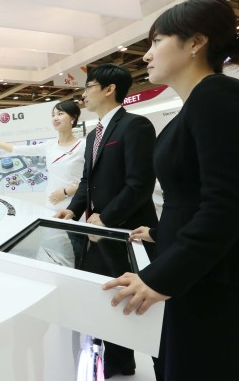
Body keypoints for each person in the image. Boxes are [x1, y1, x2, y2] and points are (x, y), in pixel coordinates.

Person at [103, 0, 239, 381]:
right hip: (199, 274)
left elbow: (229, 203)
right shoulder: (197, 104)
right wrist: (159, 234)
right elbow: (195, 194)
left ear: (195, 43)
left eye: (157, 41)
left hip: (215, 281)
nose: (146, 55)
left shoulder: (219, 95)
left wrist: (161, 277)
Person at [54, 63, 158, 379]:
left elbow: (139, 184)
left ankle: (161, 366)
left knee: (142, 310)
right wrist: (73, 209)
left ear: (109, 89)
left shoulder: (136, 126)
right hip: (99, 232)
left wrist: (107, 217)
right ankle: (119, 362)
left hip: (130, 233)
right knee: (108, 298)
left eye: (89, 86)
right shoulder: (93, 136)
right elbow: (88, 180)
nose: (83, 94)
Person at [0, 100, 85, 212]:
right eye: (53, 115)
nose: (55, 118)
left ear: (73, 118)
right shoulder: (50, 145)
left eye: (60, 114)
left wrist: (66, 192)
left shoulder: (84, 145)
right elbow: (15, 149)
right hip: (51, 204)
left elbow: (94, 180)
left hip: (74, 206)